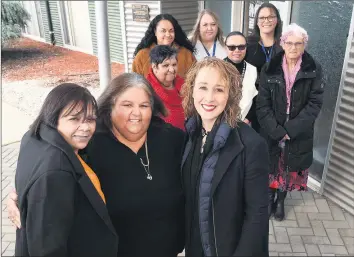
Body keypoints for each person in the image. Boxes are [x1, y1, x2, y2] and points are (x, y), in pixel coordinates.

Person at [8, 74, 186, 257]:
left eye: (144, 106)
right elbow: (48, 164)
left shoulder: (173, 139)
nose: (136, 113)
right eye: (127, 105)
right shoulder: (88, 144)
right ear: (109, 107)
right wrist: (21, 196)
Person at [14, 83, 118, 256]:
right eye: (74, 119)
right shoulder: (57, 171)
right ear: (54, 118)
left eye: (90, 119)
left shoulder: (34, 137)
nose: (85, 127)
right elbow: (47, 249)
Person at [181, 58, 269, 256]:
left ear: (230, 95)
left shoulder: (251, 145)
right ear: (192, 90)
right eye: (203, 87)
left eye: (219, 89)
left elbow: (258, 214)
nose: (209, 98)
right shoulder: (189, 135)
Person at [256, 23, 324, 221]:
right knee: (271, 164)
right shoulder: (270, 68)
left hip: (298, 128)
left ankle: (280, 200)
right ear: (282, 43)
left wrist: (290, 130)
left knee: (287, 165)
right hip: (272, 125)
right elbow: (262, 104)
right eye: (289, 43)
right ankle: (269, 197)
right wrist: (276, 130)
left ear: (305, 45)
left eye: (299, 43)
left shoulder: (314, 69)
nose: (293, 47)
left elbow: (315, 104)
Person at [245, 3, 283, 132]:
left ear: (277, 20)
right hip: (253, 105)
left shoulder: (284, 45)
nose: (266, 21)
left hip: (276, 105)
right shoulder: (248, 46)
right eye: (262, 18)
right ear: (256, 22)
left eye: (270, 17)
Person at [132, 14, 196, 78]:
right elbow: (134, 83)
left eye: (171, 31)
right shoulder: (142, 56)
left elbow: (195, 79)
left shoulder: (186, 54)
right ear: (155, 32)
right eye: (163, 31)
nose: (168, 34)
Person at [146, 45, 185, 130]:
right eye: (166, 65)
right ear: (154, 67)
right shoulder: (146, 91)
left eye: (174, 64)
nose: (171, 69)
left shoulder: (184, 85)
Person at [224, 31, 258, 122]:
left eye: (241, 47)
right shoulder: (216, 69)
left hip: (245, 123)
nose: (237, 50)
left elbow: (257, 100)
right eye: (232, 47)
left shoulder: (253, 70)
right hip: (220, 121)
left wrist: (248, 119)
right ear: (225, 48)